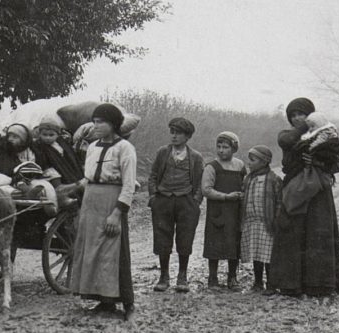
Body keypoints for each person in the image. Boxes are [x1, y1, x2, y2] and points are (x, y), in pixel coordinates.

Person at [267, 97, 339, 298]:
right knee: (290, 232)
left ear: (311, 114)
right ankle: (290, 284)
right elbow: (285, 141)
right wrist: (305, 128)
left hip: (318, 192)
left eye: (301, 114)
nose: (297, 118)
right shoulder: (288, 136)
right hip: (294, 188)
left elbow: (337, 164)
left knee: (317, 234)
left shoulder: (325, 134)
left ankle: (319, 284)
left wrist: (317, 162)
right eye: (292, 115)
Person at [68, 103, 137, 320]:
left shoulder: (125, 148)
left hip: (111, 201)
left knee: (113, 252)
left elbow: (128, 185)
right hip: (91, 202)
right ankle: (104, 302)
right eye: (94, 121)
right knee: (92, 251)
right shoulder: (93, 147)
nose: (96, 126)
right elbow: (89, 175)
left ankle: (127, 304)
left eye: (101, 122)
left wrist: (117, 213)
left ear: (114, 125)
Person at [147, 117, 204, 293]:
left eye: (178, 133)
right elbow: (153, 175)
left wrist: (195, 201)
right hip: (163, 199)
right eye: (172, 132)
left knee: (185, 238)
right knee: (162, 237)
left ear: (187, 137)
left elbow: (200, 182)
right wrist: (153, 197)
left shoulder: (195, 157)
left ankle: (182, 276)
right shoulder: (163, 152)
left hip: (186, 200)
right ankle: (164, 276)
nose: (174, 136)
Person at [202, 131, 246, 289]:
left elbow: (244, 184)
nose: (221, 150)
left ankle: (232, 277)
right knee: (214, 242)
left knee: (233, 242)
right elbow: (206, 190)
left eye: (225, 147)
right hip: (218, 210)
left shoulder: (240, 165)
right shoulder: (211, 166)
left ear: (234, 149)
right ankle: (212, 278)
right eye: (219, 147)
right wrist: (226, 196)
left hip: (235, 211)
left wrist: (241, 195)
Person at [241, 145, 282, 292]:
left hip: (267, 222)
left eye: (253, 160)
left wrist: (276, 219)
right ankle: (258, 282)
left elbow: (279, 201)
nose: (249, 163)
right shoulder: (248, 179)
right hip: (252, 222)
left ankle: (271, 284)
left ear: (264, 162)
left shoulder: (273, 179)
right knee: (256, 252)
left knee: (268, 254)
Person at [34, 115, 84, 185]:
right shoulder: (39, 145)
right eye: (44, 135)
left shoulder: (62, 143)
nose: (48, 138)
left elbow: (73, 157)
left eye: (51, 135)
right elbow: (42, 161)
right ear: (39, 134)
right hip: (55, 172)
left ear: (57, 135)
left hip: (68, 168)